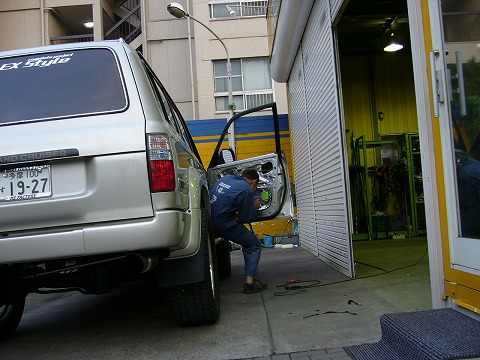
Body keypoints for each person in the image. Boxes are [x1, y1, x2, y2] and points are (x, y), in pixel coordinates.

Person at [209, 168, 268, 294]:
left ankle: (251, 277)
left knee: (246, 240)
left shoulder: (225, 179)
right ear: (254, 182)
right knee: (253, 244)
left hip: (207, 219)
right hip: (223, 224)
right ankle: (249, 284)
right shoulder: (246, 190)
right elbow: (247, 217)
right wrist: (254, 206)